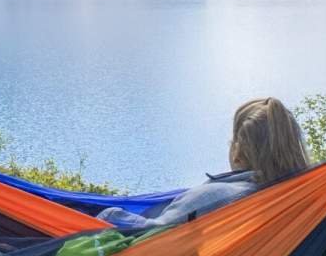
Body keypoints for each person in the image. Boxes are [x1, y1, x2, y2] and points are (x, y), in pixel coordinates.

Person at [99, 96, 310, 228]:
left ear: (237, 152)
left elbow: (152, 234)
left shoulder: (217, 197)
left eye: (231, 140)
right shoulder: (291, 201)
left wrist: (109, 214)